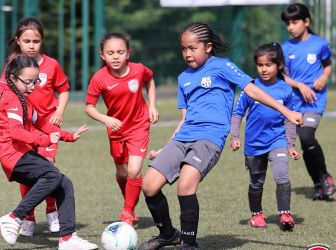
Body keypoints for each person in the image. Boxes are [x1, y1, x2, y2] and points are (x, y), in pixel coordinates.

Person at [138, 22, 303, 250]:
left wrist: (287, 111)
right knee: (148, 185)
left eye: (192, 48)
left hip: (209, 139)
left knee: (185, 185)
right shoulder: (183, 78)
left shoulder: (222, 66)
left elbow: (252, 89)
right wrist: (166, 148)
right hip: (183, 137)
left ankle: (189, 244)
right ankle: (167, 235)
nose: (187, 53)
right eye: (183, 49)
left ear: (207, 47)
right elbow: (184, 119)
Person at [0, 55, 97, 250]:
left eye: (36, 81)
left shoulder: (24, 99)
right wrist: (44, 140)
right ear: (13, 77)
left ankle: (67, 238)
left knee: (64, 183)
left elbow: (42, 123)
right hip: (13, 156)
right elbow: (15, 132)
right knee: (52, 175)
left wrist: (68, 135)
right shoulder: (12, 99)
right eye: (28, 82)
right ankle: (15, 217)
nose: (33, 86)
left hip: (22, 154)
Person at [0, 17, 70, 235]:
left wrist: (59, 112)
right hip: (24, 129)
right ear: (18, 41)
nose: (31, 45)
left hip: (46, 124)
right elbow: (0, 93)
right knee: (30, 172)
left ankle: (51, 211)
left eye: (35, 41)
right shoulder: (14, 65)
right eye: (26, 40)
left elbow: (64, 89)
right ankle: (28, 218)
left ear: (42, 41)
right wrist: (11, 114)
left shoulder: (52, 64)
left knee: (47, 166)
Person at [85, 32, 159, 226]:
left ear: (128, 53)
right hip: (116, 130)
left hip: (138, 126)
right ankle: (129, 200)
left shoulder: (139, 70)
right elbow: (89, 107)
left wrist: (152, 106)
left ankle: (128, 212)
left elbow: (150, 81)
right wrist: (106, 119)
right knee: (122, 173)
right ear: (102, 55)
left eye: (120, 52)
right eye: (110, 53)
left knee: (134, 171)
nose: (115, 56)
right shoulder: (99, 78)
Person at [229, 42, 300, 231]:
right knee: (256, 182)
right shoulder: (250, 88)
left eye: (268, 65)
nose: (263, 69)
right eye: (260, 65)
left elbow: (289, 119)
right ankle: (257, 214)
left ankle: (285, 213)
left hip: (278, 141)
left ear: (279, 65)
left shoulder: (285, 90)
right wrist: (234, 136)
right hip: (253, 144)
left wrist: (291, 145)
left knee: (282, 175)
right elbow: (237, 114)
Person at [281, 3, 335, 200]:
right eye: (288, 23)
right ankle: (318, 183)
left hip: (314, 102)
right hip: (294, 103)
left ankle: (325, 177)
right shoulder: (285, 48)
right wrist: (300, 85)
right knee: (305, 144)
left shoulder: (320, 44)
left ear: (306, 22)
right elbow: (283, 76)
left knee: (306, 136)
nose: (291, 27)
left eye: (295, 22)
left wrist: (323, 77)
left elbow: (328, 65)